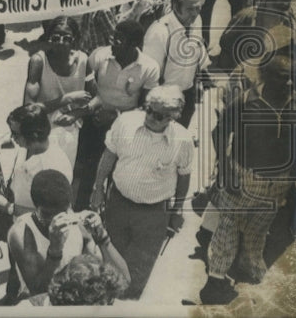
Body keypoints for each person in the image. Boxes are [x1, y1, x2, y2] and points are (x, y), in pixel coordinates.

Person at [200, 55, 296, 304]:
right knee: (228, 227)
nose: (288, 83)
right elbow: (220, 133)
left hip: (277, 184)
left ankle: (247, 272)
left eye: (291, 77)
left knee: (258, 228)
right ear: (265, 77)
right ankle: (215, 280)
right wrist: (225, 171)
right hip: (243, 176)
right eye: (281, 77)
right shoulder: (245, 101)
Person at [90, 85, 194, 298]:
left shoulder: (183, 140)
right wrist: (97, 188)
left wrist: (177, 211)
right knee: (109, 258)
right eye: (148, 110)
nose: (150, 118)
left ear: (173, 117)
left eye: (158, 116)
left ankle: (127, 305)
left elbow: (184, 175)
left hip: (154, 215)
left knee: (138, 271)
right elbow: (108, 155)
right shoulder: (125, 122)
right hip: (117, 203)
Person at [73, 19, 160, 211]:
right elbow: (86, 87)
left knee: (116, 173)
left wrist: (115, 117)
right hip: (93, 121)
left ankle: (107, 213)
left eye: (119, 40)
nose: (113, 42)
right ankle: (81, 209)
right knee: (87, 169)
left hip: (124, 127)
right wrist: (91, 110)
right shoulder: (99, 56)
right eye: (113, 37)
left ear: (134, 45)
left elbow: (146, 108)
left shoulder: (149, 68)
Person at [7, 169, 129, 303]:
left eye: (62, 212)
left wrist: (102, 238)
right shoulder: (21, 232)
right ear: (36, 207)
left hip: (74, 301)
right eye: (48, 215)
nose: (56, 220)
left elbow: (122, 280)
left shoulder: (77, 226)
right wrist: (55, 250)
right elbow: (40, 293)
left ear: (69, 206)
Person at [23, 16, 91, 166]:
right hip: (41, 133)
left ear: (75, 40)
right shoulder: (38, 61)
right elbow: (29, 108)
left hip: (69, 131)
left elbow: (97, 99)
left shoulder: (84, 61)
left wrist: (76, 114)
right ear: (48, 38)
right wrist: (67, 99)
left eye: (66, 38)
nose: (60, 42)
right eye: (55, 37)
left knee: (61, 176)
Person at [142, 0, 209, 128]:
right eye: (190, 9)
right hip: (165, 101)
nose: (195, 14)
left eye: (198, 8)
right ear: (176, 7)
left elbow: (198, 51)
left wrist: (199, 82)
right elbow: (150, 76)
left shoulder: (197, 21)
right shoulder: (159, 32)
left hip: (188, 96)